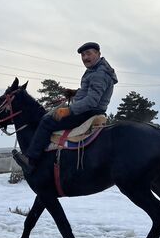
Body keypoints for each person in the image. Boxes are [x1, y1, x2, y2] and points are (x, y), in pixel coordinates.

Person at [13, 42, 118, 175]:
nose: (85, 57)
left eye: (89, 53)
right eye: (83, 55)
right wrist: (75, 92)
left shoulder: (99, 73)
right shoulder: (96, 70)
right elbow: (91, 91)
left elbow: (92, 100)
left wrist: (69, 110)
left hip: (88, 112)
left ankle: (31, 160)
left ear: (98, 53)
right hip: (90, 110)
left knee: (46, 121)